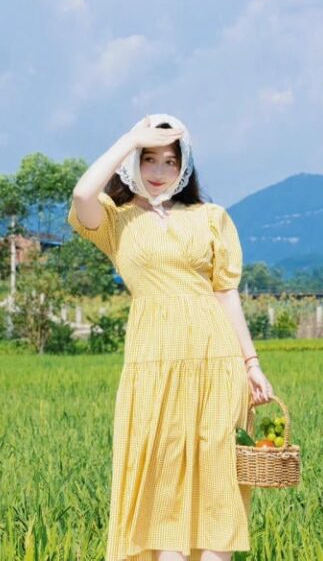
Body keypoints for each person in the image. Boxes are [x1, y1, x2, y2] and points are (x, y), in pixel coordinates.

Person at [69, 113, 275, 561]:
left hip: (216, 359)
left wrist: (251, 364)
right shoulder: (116, 220)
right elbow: (83, 193)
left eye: (170, 161)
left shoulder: (210, 218)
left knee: (218, 477)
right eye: (149, 159)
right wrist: (130, 138)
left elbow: (225, 294)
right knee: (161, 475)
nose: (159, 172)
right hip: (154, 361)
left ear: (185, 166)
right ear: (133, 163)